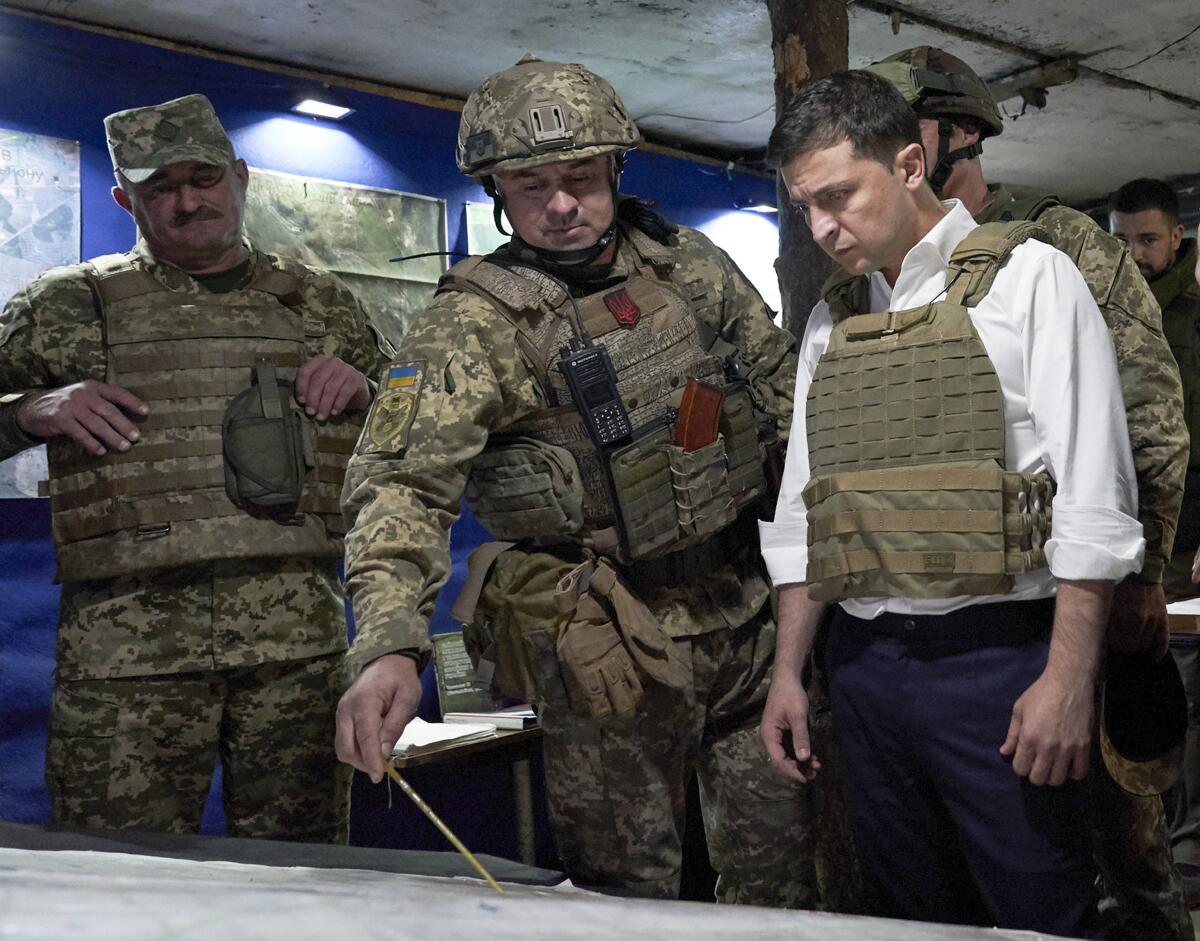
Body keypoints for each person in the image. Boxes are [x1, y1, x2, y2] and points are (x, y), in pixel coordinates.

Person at [334, 55, 813, 906]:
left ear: (616, 171)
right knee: (624, 898)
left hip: (745, 621)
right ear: (497, 193)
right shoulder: (471, 326)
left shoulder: (689, 266)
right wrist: (388, 645)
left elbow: (786, 402)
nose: (560, 205)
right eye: (531, 185)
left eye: (582, 179)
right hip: (608, 647)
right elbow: (400, 488)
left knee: (781, 880)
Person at [759, 69, 1145, 938]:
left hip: (997, 663)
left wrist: (1068, 678)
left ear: (906, 165)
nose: (824, 227)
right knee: (902, 914)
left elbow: (1094, 499)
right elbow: (803, 517)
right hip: (864, 669)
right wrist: (790, 672)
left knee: (1037, 907)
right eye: (805, 207)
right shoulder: (832, 320)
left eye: (839, 196)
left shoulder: (1031, 280)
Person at [863, 47, 1191, 941]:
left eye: (898, 124)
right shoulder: (879, 269)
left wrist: (1144, 574)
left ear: (958, 132)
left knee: (1125, 843)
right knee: (989, 859)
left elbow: (1150, 418)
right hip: (958, 618)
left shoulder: (1059, 247)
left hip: (1081, 589)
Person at [0, 94, 391, 841]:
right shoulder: (67, 305)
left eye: (203, 177)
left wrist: (366, 391)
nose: (187, 201)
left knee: (303, 876)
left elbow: (416, 436)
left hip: (297, 650)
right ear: (126, 199)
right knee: (116, 876)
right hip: (126, 655)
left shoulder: (324, 304)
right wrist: (31, 412)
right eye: (160, 187)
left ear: (240, 177)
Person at [1110, 176, 1200, 895]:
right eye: (1122, 238)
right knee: (1131, 705)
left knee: (1184, 702)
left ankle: (1187, 853)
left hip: (1183, 549)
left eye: (1146, 238)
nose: (1134, 253)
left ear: (1177, 238)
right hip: (1120, 546)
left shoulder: (1193, 321)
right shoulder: (1098, 311)